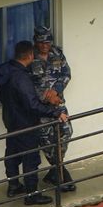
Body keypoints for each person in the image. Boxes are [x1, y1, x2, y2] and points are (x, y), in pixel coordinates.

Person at [0, 39, 61, 205]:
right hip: (26, 123)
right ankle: (32, 194)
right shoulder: (21, 78)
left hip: (10, 120)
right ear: (30, 55)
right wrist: (54, 112)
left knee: (12, 154)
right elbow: (32, 105)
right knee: (31, 158)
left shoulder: (4, 70)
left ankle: (14, 185)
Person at [30, 24, 76, 193]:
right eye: (41, 42)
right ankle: (60, 172)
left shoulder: (57, 53)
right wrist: (44, 95)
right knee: (46, 140)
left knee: (66, 132)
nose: (44, 46)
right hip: (40, 108)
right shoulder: (30, 57)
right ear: (36, 41)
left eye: (47, 42)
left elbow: (66, 74)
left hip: (58, 104)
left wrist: (55, 91)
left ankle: (55, 170)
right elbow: (25, 84)